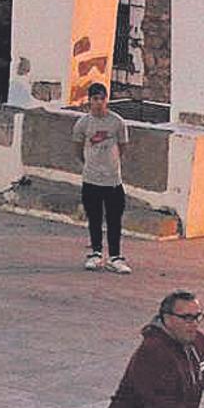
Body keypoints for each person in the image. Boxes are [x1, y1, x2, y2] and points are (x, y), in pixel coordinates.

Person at [72, 82, 131, 274]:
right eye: (95, 99)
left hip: (113, 181)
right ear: (89, 101)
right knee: (94, 218)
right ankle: (96, 253)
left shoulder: (117, 122)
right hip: (91, 180)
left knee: (114, 219)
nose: (98, 103)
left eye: (102, 99)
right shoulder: (83, 123)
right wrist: (91, 164)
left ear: (107, 100)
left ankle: (115, 256)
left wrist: (110, 164)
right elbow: (77, 148)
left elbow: (122, 147)